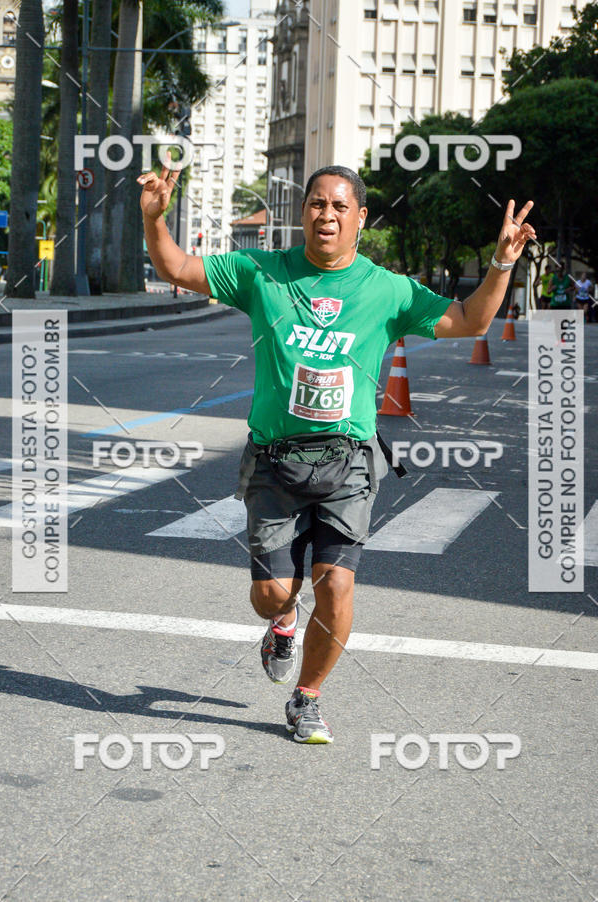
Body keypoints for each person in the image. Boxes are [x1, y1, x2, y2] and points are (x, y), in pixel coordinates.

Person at [138, 161, 535, 744]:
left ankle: (308, 697)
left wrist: (502, 260)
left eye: (339, 207)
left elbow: (471, 320)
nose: (326, 215)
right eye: (316, 205)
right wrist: (154, 220)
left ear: (361, 218)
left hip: (348, 461)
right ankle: (282, 620)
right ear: (302, 214)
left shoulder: (386, 288)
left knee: (337, 583)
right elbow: (175, 265)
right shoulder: (260, 272)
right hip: (275, 457)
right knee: (271, 593)